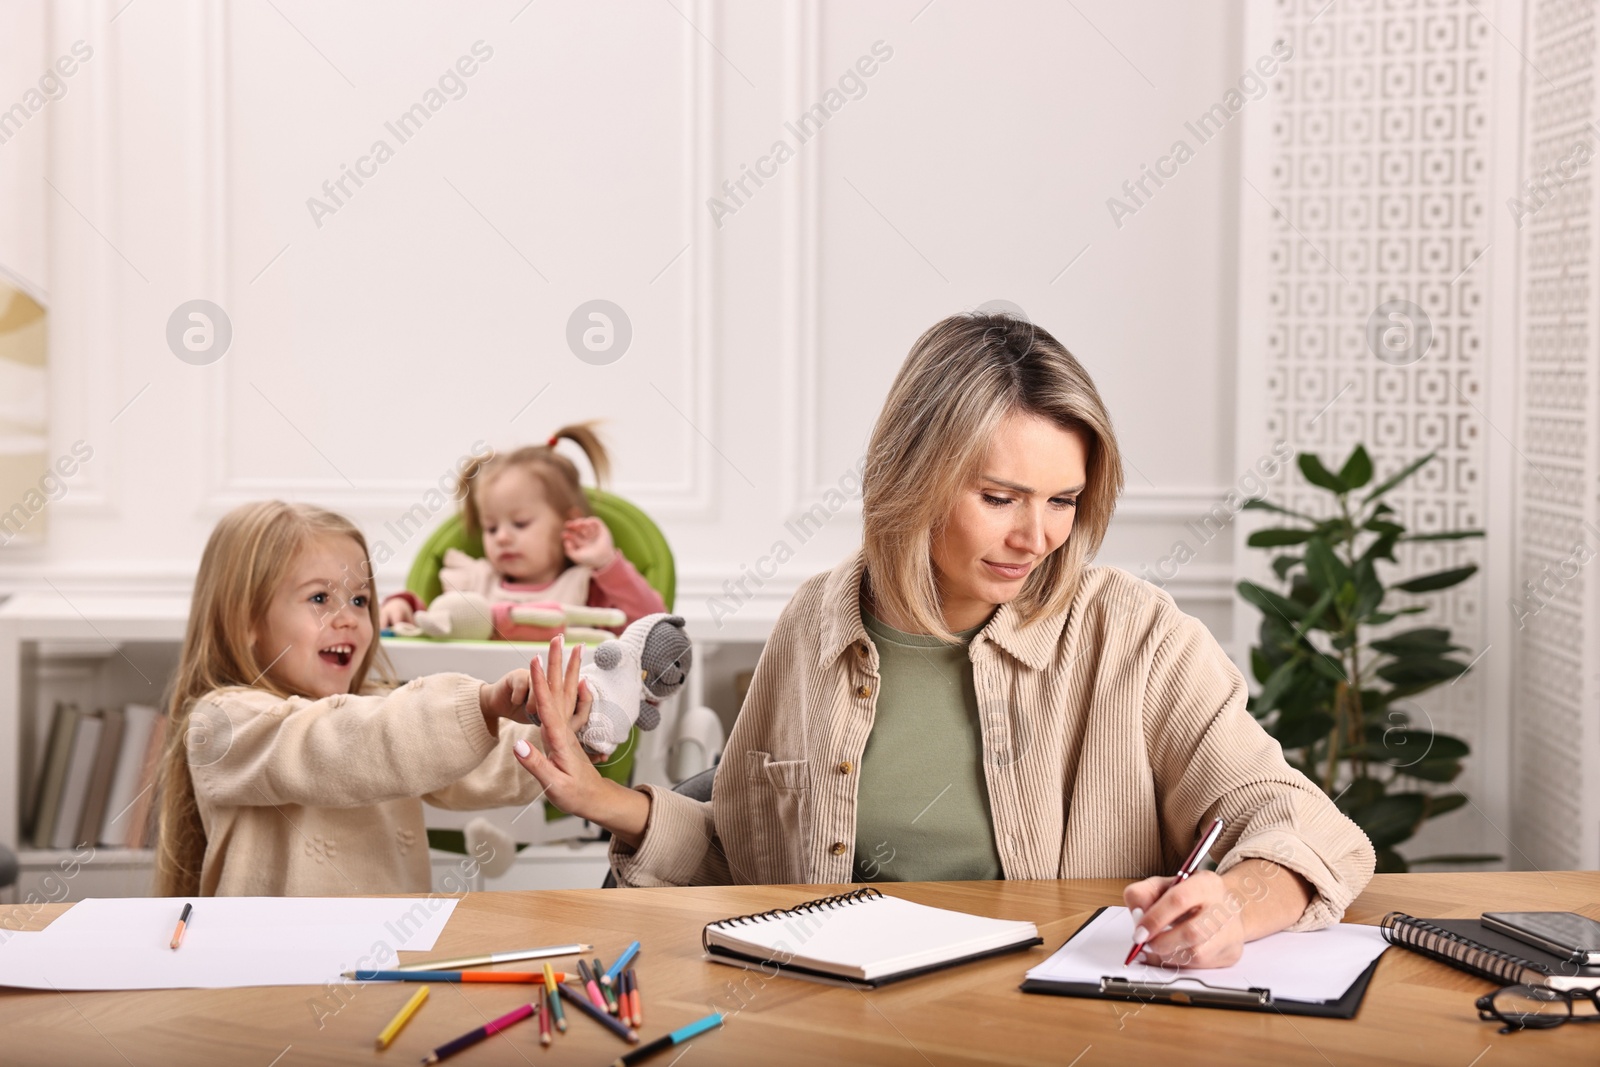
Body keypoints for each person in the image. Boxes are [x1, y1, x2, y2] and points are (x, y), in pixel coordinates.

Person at [513, 311, 1376, 968]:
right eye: (1000, 497)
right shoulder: (814, 624)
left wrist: (1234, 899)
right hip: (836, 1027)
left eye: (1063, 500)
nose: (1038, 536)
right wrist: (609, 802)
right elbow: (744, 858)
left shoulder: (1137, 634)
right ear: (911, 477)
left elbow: (1301, 822)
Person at [154, 500, 590, 896]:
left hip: (384, 959)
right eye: (320, 597)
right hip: (274, 968)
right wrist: (480, 705)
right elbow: (337, 745)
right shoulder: (225, 721)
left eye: (360, 599)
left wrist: (558, 732)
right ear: (245, 618)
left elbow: (480, 768)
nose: (348, 619)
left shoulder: (384, 714)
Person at [380, 423, 665, 641]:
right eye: (491, 528)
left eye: (520, 524)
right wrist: (401, 605)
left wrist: (606, 563)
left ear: (570, 523)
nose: (502, 537)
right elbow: (436, 619)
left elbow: (653, 625)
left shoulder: (586, 589)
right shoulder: (474, 581)